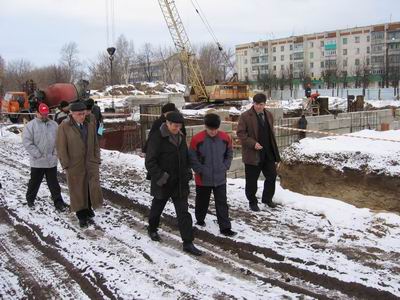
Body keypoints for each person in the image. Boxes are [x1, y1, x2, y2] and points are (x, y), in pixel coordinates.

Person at [145, 111, 202, 256]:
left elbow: (185, 157)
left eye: (179, 126)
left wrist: (188, 172)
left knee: (183, 212)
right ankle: (152, 228)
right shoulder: (157, 138)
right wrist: (162, 177)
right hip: (163, 182)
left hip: (179, 182)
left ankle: (188, 242)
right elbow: (150, 162)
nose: (177, 128)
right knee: (157, 208)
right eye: (175, 126)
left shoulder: (181, 137)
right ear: (167, 123)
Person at [56, 101, 103, 228]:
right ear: (72, 114)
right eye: (79, 114)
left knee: (89, 187)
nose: (82, 116)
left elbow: (95, 143)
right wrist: (65, 164)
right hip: (74, 164)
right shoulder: (64, 126)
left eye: (83, 113)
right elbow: (61, 147)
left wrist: (96, 158)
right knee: (77, 190)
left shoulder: (90, 123)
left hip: (90, 162)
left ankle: (88, 209)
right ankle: (81, 215)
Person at [189, 113, 236, 237]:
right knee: (202, 201)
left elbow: (229, 153)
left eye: (215, 129)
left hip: (220, 177)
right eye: (210, 130)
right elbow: (192, 157)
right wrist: (200, 170)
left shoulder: (225, 138)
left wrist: (225, 166)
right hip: (203, 178)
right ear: (206, 127)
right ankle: (200, 219)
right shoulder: (197, 139)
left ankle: (225, 227)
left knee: (222, 202)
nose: (213, 132)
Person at [237, 93, 281, 212]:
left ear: (265, 104)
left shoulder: (269, 115)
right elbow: (241, 134)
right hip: (253, 154)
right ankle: (252, 201)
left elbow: (270, 133)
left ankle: (267, 199)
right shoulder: (245, 116)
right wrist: (253, 143)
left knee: (272, 176)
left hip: (268, 152)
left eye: (261, 104)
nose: (259, 107)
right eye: (256, 104)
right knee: (252, 180)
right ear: (253, 103)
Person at [23, 103, 68, 211]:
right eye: (42, 114)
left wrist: (55, 153)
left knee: (54, 183)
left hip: (51, 160)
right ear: (36, 113)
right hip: (37, 161)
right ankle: (30, 199)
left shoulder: (54, 125)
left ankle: (58, 202)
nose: (44, 116)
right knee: (34, 182)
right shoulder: (30, 126)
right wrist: (38, 154)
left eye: (46, 114)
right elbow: (27, 142)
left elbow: (59, 140)